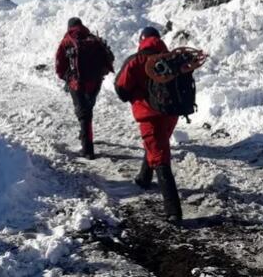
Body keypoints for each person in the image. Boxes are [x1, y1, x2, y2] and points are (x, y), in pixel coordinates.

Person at [115, 26, 182, 224]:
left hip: (149, 114)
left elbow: (121, 89)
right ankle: (144, 178)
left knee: (160, 156)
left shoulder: (136, 60)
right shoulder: (172, 58)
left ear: (141, 40)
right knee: (156, 145)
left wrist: (137, 92)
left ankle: (174, 211)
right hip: (171, 114)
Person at [55, 17, 114, 158]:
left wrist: (67, 78)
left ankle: (88, 149)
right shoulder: (93, 38)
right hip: (95, 81)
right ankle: (85, 134)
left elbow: (59, 64)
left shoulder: (67, 40)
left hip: (77, 83)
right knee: (87, 110)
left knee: (83, 114)